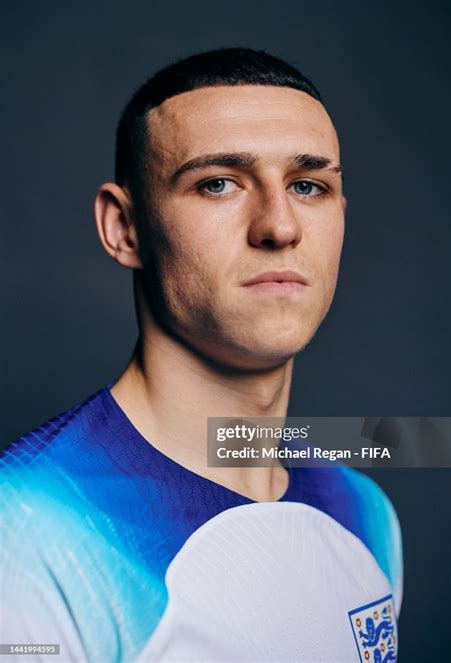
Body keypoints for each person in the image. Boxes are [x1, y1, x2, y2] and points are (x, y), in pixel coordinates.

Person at [0, 48, 403, 662]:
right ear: (124, 227)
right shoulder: (25, 531)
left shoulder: (365, 515)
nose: (280, 226)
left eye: (308, 185)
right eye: (218, 183)